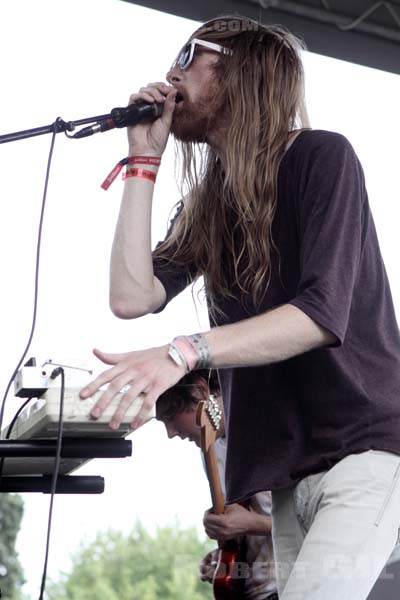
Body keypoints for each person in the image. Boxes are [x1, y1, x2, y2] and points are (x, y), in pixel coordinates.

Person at [80, 14, 400, 599]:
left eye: (188, 55)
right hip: (286, 476)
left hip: (368, 453)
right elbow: (132, 296)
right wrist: (142, 159)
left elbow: (320, 314)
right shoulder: (211, 202)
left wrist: (183, 352)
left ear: (237, 69)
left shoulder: (322, 159)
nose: (170, 73)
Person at [156, 369, 277, 599]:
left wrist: (251, 524)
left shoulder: (272, 428)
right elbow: (247, 525)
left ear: (200, 389)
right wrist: (225, 556)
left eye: (171, 413)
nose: (170, 433)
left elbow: (319, 520)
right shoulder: (209, 448)